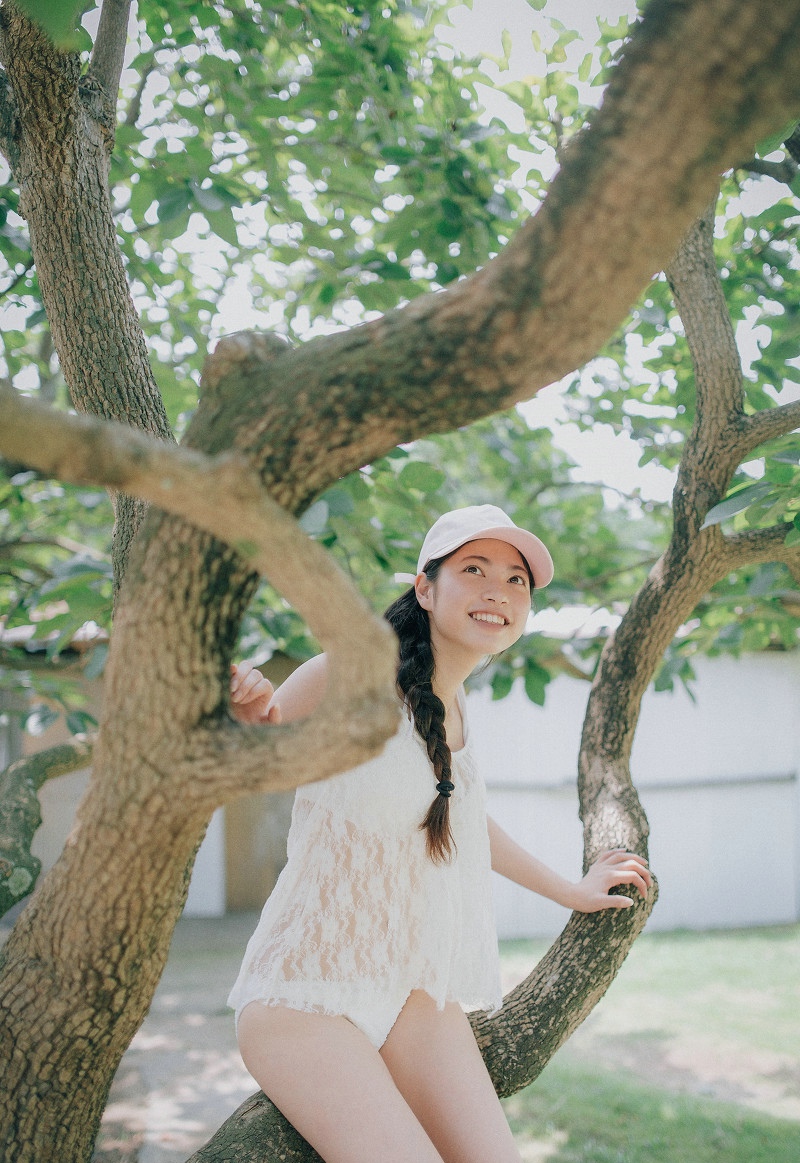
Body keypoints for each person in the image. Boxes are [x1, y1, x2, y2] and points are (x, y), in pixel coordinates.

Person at [228, 504, 652, 1163]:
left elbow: (463, 821)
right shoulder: (353, 670)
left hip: (412, 993)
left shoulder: (454, 708)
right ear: (424, 588)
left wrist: (572, 890)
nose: (498, 590)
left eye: (516, 580)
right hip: (303, 992)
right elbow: (258, 753)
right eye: (474, 569)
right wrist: (251, 721)